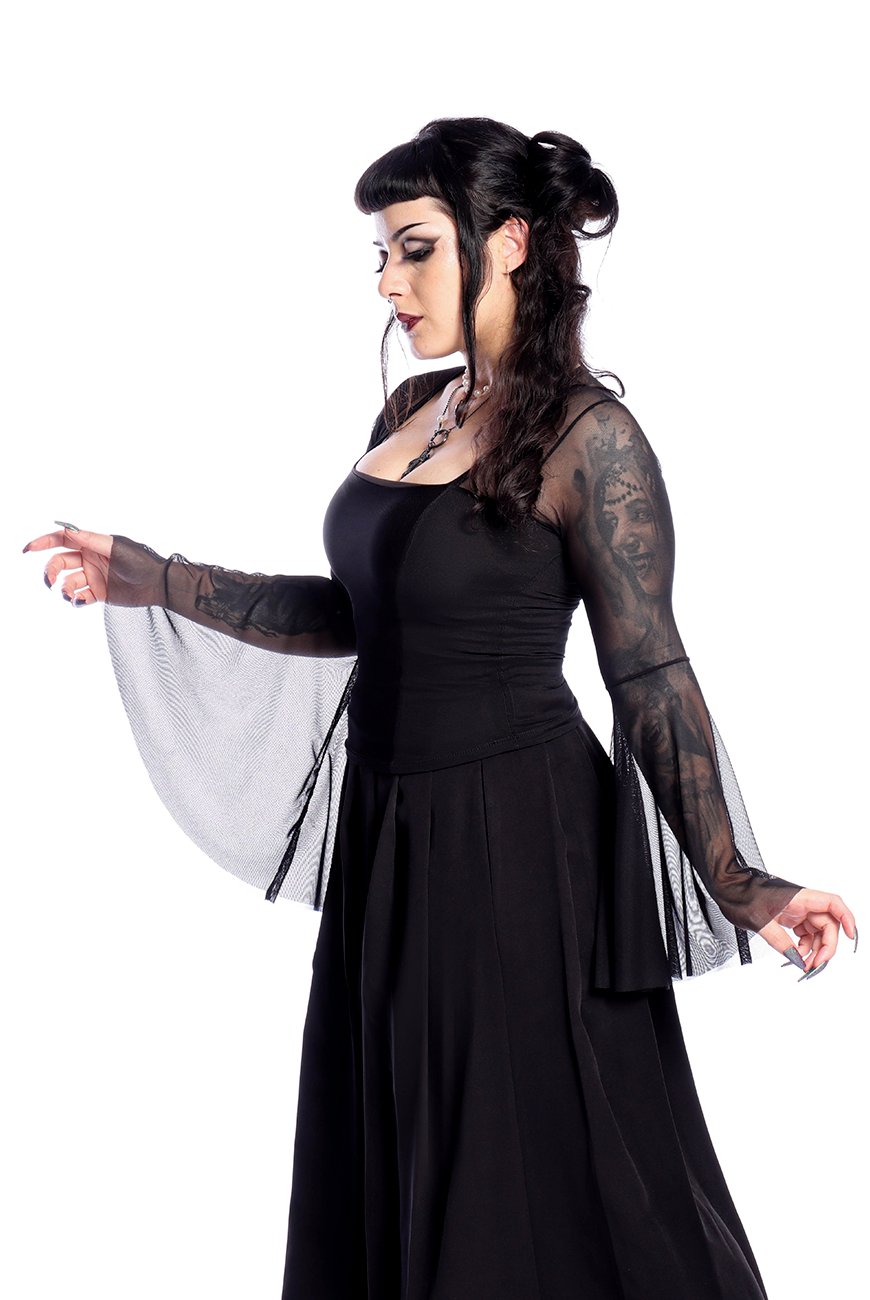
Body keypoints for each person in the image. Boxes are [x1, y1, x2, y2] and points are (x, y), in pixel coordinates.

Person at [24, 117, 857, 1299]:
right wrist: (151, 575)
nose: (388, 282)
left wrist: (741, 880)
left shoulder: (591, 439)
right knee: (400, 1163)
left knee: (538, 1179)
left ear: (507, 242)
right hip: (391, 845)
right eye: (381, 254)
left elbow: (649, 673)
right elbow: (362, 608)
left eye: (415, 249)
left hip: (523, 849)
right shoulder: (415, 409)